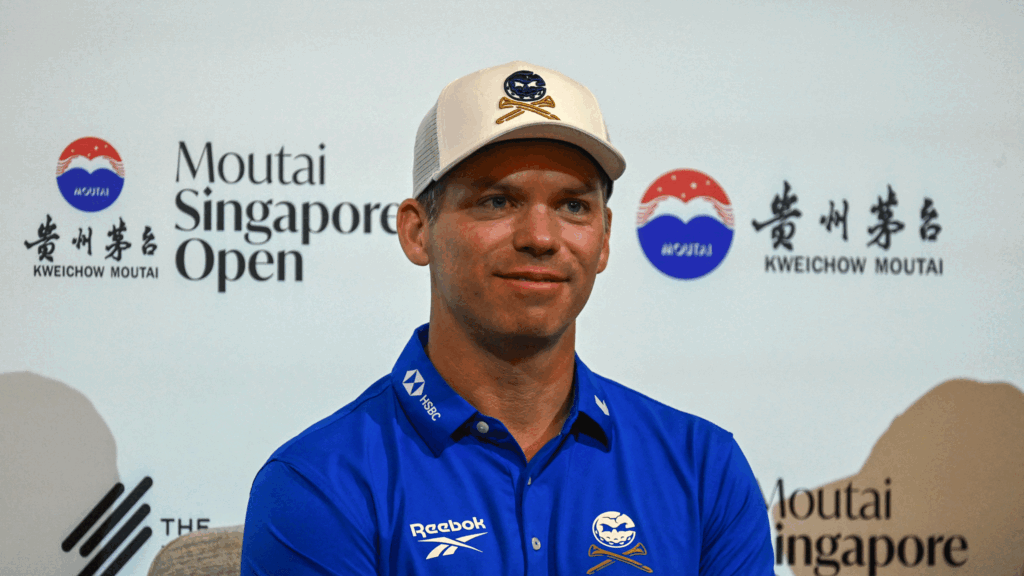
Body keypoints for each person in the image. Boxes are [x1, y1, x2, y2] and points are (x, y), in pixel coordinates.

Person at [241, 61, 773, 575]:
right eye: (497, 202)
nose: (540, 238)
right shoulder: (319, 482)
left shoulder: (704, 470)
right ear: (417, 230)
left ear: (606, 238)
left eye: (573, 206)